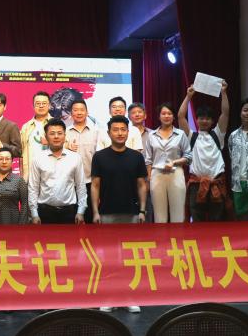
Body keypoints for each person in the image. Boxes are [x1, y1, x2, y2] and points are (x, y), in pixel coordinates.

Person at [91, 115, 147, 314]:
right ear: (109, 133)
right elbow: (95, 185)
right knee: (109, 259)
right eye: (115, 130)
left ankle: (129, 297)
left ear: (128, 132)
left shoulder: (136, 157)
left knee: (130, 258)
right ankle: (109, 297)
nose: (120, 133)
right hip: (107, 213)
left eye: (123, 129)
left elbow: (142, 185)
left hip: (131, 213)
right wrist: (95, 212)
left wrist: (142, 210)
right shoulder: (100, 157)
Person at [178, 82, 230, 222]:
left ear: (212, 121)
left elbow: (225, 113)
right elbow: (181, 117)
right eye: (201, 118)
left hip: (216, 184)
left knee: (217, 222)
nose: (204, 121)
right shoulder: (191, 137)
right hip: (196, 185)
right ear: (197, 120)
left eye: (207, 118)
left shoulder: (217, 135)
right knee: (197, 223)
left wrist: (223, 92)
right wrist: (188, 96)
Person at [28, 118, 87, 224]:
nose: (56, 136)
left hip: (70, 212)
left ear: (65, 136)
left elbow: (81, 186)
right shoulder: (38, 158)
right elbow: (33, 188)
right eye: (52, 133)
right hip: (45, 212)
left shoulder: (75, 158)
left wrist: (81, 211)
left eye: (60, 133)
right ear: (46, 137)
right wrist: (34, 213)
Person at [145, 103, 192, 223]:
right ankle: (161, 235)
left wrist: (174, 162)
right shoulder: (151, 135)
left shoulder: (180, 134)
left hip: (176, 173)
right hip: (157, 174)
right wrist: (149, 178)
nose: (166, 116)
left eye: (169, 113)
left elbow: (188, 156)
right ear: (159, 116)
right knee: (159, 215)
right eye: (163, 113)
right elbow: (148, 160)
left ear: (173, 116)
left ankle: (178, 235)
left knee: (178, 214)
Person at [65, 99, 104, 223]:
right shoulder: (65, 132)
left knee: (91, 218)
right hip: (70, 182)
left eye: (82, 110)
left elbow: (101, 156)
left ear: (87, 112)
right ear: (71, 113)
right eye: (75, 110)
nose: (79, 113)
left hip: (91, 181)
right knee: (72, 219)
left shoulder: (97, 131)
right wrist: (66, 146)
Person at [0, 148, 29, 224]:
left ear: (12, 162)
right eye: (1, 159)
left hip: (14, 225)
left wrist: (22, 225)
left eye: (7, 159)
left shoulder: (19, 180)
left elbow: (25, 205)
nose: (4, 162)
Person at [20, 91, 51, 181]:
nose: (41, 106)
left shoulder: (56, 124)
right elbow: (21, 153)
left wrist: (50, 143)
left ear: (49, 105)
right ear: (33, 106)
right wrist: (22, 177)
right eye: (38, 103)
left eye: (44, 103)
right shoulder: (26, 127)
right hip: (30, 175)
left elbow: (63, 149)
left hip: (51, 175)